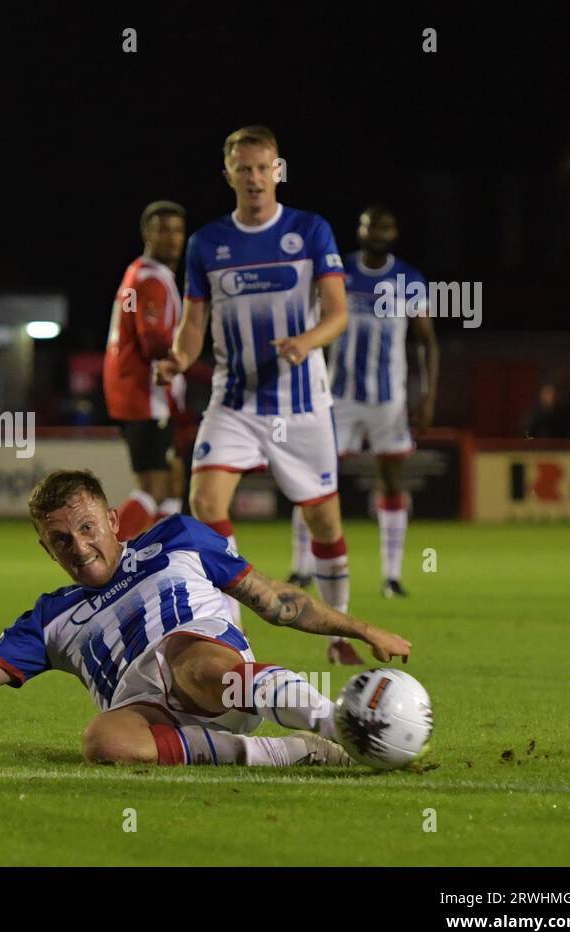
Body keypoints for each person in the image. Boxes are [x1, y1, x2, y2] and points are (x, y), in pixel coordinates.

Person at [0, 470, 411, 768]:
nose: (79, 545)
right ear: (46, 548)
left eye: (87, 527)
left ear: (114, 519)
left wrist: (360, 628)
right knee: (102, 741)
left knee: (185, 658)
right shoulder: (49, 619)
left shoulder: (178, 538)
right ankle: (291, 755)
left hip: (217, 672)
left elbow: (277, 601)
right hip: (151, 717)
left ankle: (337, 725)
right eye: (60, 539)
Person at [157, 126, 361, 664]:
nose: (253, 178)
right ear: (228, 174)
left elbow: (338, 312)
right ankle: (231, 629)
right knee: (204, 506)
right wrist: (179, 358)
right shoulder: (207, 243)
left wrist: (305, 342)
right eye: (242, 168)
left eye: (262, 167)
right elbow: (194, 320)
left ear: (279, 170)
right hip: (234, 402)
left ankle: (338, 635)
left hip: (302, 405)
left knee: (325, 522)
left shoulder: (310, 230)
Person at [287, 206, 439, 599]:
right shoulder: (341, 273)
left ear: (395, 232)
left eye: (385, 225)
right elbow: (313, 324)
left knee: (391, 479)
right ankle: (301, 567)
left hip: (389, 400)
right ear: (360, 229)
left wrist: (428, 396)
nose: (377, 231)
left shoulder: (409, 279)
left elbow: (427, 341)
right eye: (371, 224)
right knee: (315, 478)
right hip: (340, 399)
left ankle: (391, 576)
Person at [103, 200, 188, 539]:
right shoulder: (151, 279)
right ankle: (104, 554)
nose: (172, 238)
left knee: (172, 484)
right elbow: (153, 340)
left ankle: (163, 561)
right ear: (146, 233)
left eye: (178, 231)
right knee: (155, 487)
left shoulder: (138, 271)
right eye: (163, 230)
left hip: (132, 393)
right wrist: (189, 359)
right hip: (146, 394)